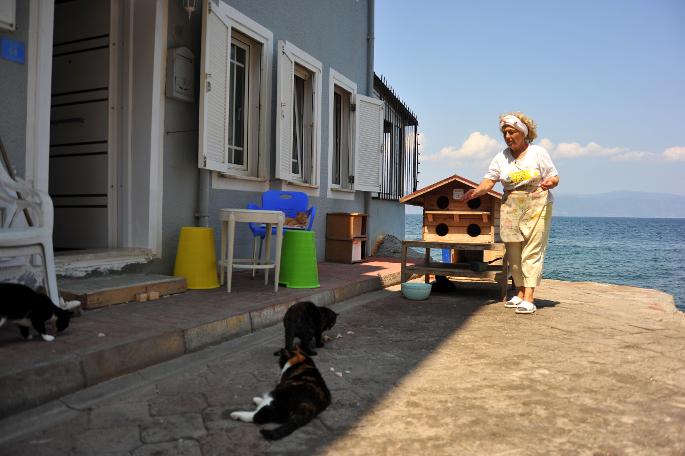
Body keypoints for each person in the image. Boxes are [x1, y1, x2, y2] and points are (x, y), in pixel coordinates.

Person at [460, 112, 559, 314]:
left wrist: (550, 182)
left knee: (532, 250)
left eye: (512, 131)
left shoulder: (538, 153)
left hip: (537, 204)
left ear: (523, 132)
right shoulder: (501, 157)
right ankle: (520, 293)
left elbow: (554, 177)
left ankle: (530, 298)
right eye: (505, 132)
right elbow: (489, 181)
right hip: (511, 206)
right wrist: (475, 193)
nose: (508, 136)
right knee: (513, 252)